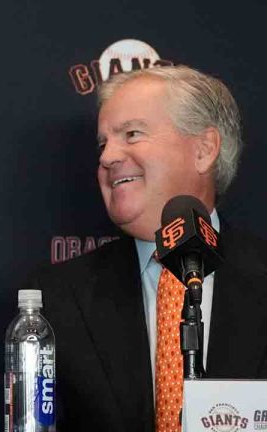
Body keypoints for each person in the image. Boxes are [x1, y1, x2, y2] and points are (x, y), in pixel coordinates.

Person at [20, 65, 267, 431]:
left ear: (204, 149)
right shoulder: (56, 298)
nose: (107, 157)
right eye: (103, 143)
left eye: (132, 134)